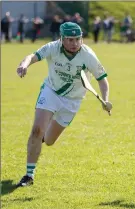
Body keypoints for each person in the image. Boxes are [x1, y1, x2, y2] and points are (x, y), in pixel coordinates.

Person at [16, 22, 112, 187]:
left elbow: (102, 80)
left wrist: (105, 99)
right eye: (70, 40)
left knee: (50, 140)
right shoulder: (53, 47)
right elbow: (32, 56)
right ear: (61, 39)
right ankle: (29, 175)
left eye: (77, 39)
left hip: (73, 101)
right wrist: (24, 65)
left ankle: (41, 140)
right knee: (37, 130)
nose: (74, 43)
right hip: (51, 92)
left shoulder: (87, 55)